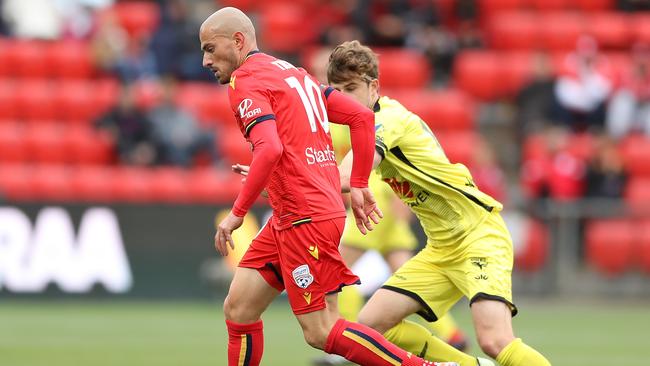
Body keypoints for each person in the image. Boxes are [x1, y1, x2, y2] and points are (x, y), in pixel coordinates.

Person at [200, 7, 454, 366]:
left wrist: (237, 214)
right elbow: (360, 116)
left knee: (320, 330)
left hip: (306, 219)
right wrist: (360, 182)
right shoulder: (292, 73)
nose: (205, 60)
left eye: (210, 48)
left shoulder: (247, 81)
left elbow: (270, 148)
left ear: (238, 41)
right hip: (299, 214)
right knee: (239, 307)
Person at [328, 41, 551, 366]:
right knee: (369, 328)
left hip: (478, 236)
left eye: (351, 88)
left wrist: (288, 186)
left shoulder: (387, 121)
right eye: (336, 91)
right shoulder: (366, 123)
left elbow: (349, 175)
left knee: (494, 340)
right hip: (442, 247)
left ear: (373, 87)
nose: (343, 99)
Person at [313, 123, 469, 366]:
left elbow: (343, 161)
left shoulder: (335, 122)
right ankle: (452, 335)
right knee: (407, 276)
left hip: (371, 203)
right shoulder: (365, 119)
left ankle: (351, 341)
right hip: (387, 197)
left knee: (336, 270)